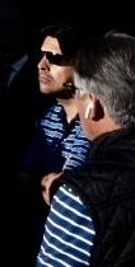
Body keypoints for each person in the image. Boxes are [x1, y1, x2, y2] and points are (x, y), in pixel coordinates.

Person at [36, 32, 135, 267]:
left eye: (78, 91)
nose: (43, 65)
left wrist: (73, 190)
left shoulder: (77, 199)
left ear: (92, 102)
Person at [22, 25, 92, 202]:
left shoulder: (95, 118)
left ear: (80, 65)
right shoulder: (48, 117)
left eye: (53, 58)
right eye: (42, 56)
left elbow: (66, 184)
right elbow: (26, 173)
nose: (41, 65)